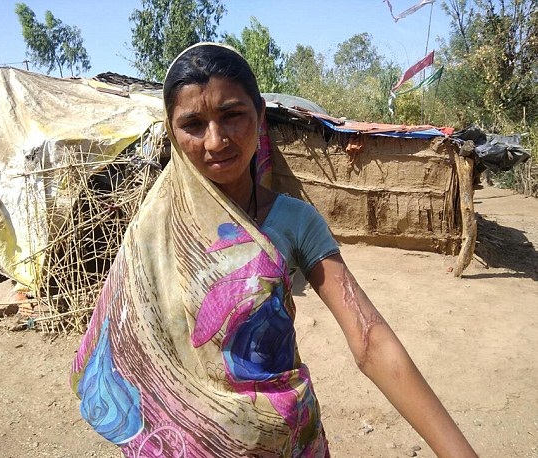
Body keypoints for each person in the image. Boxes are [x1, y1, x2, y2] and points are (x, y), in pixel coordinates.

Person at [71, 43, 478, 457]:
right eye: (193, 124)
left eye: (232, 115)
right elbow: (125, 350)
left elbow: (370, 338)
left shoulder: (294, 221)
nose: (216, 141)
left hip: (288, 444)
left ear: (260, 114)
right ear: (172, 132)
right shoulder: (154, 230)